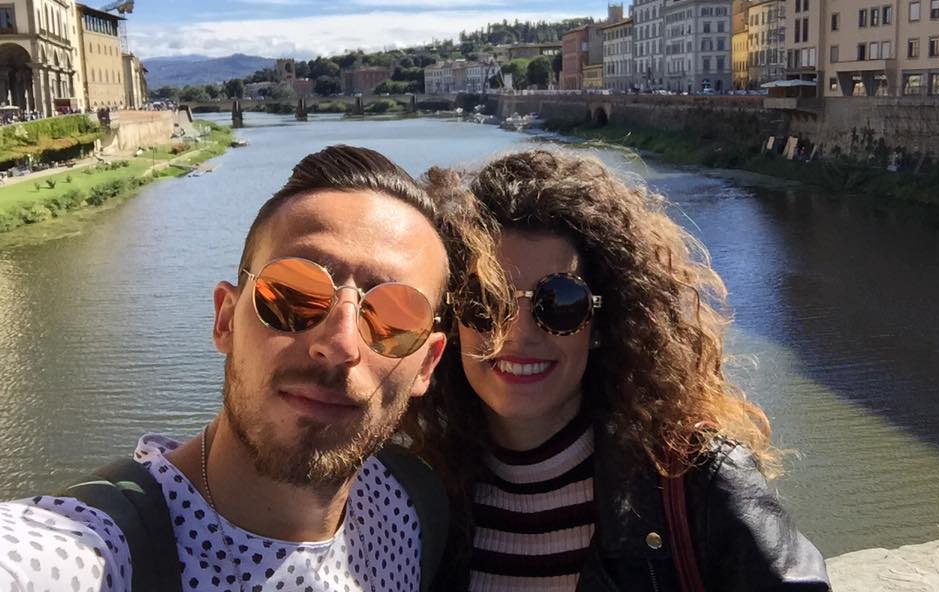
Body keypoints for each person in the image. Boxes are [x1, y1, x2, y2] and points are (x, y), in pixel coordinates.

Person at [0, 145, 450, 591]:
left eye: (395, 319)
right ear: (226, 321)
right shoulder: (87, 555)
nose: (339, 344)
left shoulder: (409, 508)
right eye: (293, 296)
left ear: (427, 365)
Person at [411, 148, 830, 591]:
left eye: (560, 302)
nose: (518, 334)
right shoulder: (418, 493)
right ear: (451, 318)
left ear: (600, 322)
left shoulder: (699, 482)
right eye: (486, 300)